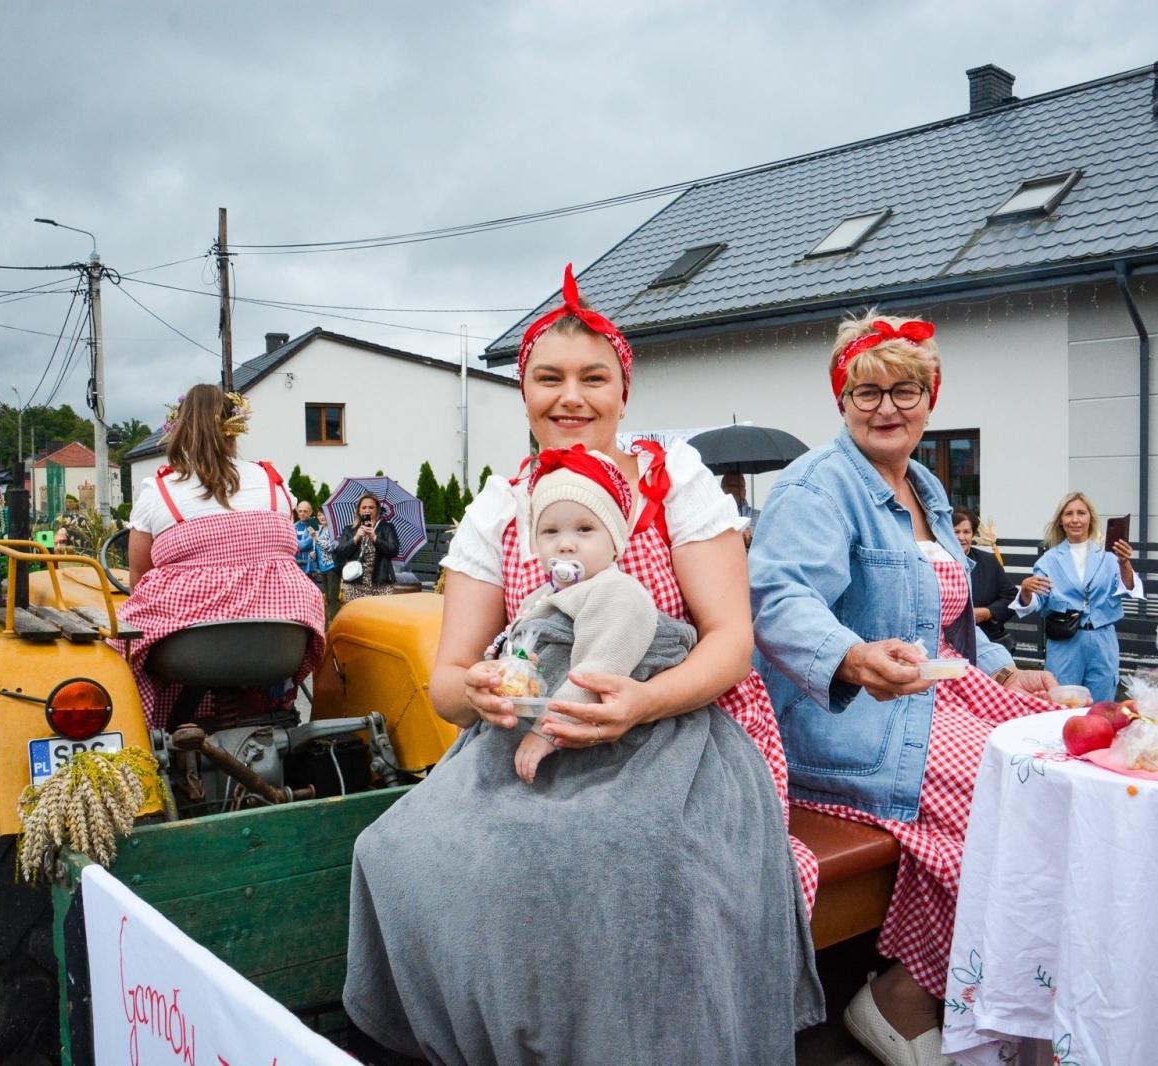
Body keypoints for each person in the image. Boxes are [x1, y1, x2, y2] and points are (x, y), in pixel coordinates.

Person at [343, 264, 822, 1065]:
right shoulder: (498, 508)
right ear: (522, 391)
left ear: (623, 392)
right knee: (397, 850)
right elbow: (449, 684)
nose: (572, 397)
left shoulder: (677, 483)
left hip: (681, 730)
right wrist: (486, 690)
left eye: (593, 378)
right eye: (548, 378)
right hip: (525, 739)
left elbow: (730, 644)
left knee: (623, 863)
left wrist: (638, 702)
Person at [749, 313, 1057, 1066]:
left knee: (1059, 765)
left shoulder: (923, 486)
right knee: (1014, 787)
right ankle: (909, 997)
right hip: (848, 722)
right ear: (842, 398)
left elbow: (947, 626)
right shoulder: (816, 487)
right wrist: (852, 657)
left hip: (933, 704)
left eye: (906, 389)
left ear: (931, 397)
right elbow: (778, 603)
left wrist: (1007, 668)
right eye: (868, 390)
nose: (887, 406)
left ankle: (939, 996)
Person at [112, 384, 326, 730]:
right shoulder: (273, 482)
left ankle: (143, 729)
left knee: (117, 646)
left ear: (180, 429)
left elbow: (139, 577)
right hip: (279, 636)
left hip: (190, 647)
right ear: (235, 429)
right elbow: (281, 549)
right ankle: (262, 704)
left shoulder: (160, 490)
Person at [500, 445, 663, 784]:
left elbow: (599, 667)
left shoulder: (618, 591)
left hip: (589, 732)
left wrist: (548, 729)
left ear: (614, 540)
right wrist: (509, 666)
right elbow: (516, 638)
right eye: (550, 532)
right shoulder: (541, 596)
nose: (566, 544)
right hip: (541, 718)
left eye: (584, 529)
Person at [1012, 491, 1142, 702]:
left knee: (1102, 708)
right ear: (1061, 521)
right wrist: (1026, 590)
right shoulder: (1049, 560)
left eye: (1081, 513)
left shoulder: (1109, 556)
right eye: (1068, 514)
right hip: (1065, 643)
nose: (1075, 519)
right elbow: (1037, 601)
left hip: (1103, 640)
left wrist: (1125, 562)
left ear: (1090, 518)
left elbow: (1129, 588)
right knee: (1061, 705)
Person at [953, 507, 1018, 651]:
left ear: (973, 534)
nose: (961, 537)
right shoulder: (938, 562)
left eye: (966, 532)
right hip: (952, 643)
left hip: (990, 640)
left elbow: (1011, 597)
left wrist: (988, 612)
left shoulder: (988, 561)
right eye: (956, 532)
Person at [332, 492, 400, 600]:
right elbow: (340, 552)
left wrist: (375, 538)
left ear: (377, 509)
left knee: (379, 615)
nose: (367, 510)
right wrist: (356, 538)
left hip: (380, 583)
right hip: (355, 582)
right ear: (359, 510)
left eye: (371, 507)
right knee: (356, 615)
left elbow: (394, 551)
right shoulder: (350, 529)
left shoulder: (387, 528)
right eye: (364, 507)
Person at [292, 499, 334, 593]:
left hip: (309, 567)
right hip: (296, 565)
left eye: (305, 511)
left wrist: (292, 539)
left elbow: (303, 545)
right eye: (300, 511)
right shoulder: (294, 525)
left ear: (310, 512)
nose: (302, 513)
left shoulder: (314, 525)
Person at [721, 470, 759, 546]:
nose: (735, 489)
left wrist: (752, 540)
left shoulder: (760, 517)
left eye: (739, 486)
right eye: (731, 486)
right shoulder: (712, 517)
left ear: (745, 492)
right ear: (721, 489)